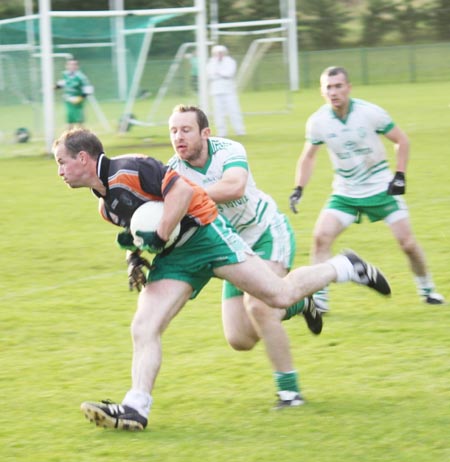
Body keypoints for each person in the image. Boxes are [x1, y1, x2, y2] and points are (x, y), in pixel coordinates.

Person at [53, 127, 391, 431]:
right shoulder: (105, 206)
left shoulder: (131, 168)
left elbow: (182, 194)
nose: (60, 171)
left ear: (83, 157)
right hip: (176, 259)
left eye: (62, 162)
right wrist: (135, 257)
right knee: (144, 326)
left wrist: (160, 232)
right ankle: (135, 408)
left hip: (206, 235)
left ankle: (346, 266)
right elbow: (137, 230)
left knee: (279, 296)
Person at [167, 104, 321, 409]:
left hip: (265, 233)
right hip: (230, 248)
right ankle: (299, 301)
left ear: (205, 133)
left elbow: (235, 187)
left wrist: (185, 196)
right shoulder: (172, 171)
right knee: (240, 339)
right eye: (173, 131)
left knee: (259, 307)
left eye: (186, 130)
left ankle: (289, 393)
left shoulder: (228, 150)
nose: (178, 137)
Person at [289, 66, 445, 313]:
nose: (334, 92)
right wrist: (299, 188)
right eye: (328, 87)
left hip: (381, 189)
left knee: (407, 243)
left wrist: (400, 175)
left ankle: (427, 289)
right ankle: (320, 300)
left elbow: (401, 140)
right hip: (345, 193)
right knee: (321, 238)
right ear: (322, 91)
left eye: (338, 86)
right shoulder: (318, 121)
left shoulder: (370, 113)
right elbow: (308, 157)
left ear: (349, 88)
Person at [207, 45, 245, 137]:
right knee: (218, 112)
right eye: (217, 53)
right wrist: (220, 73)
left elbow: (229, 73)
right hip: (216, 90)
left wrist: (219, 73)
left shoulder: (230, 61)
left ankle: (239, 130)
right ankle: (221, 131)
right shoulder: (211, 62)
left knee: (234, 110)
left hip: (229, 89)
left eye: (221, 53)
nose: (219, 55)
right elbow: (210, 74)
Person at [55, 59, 93, 129]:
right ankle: (69, 136)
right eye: (70, 64)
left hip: (77, 101)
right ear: (66, 66)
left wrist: (81, 98)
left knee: (79, 121)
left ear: (77, 66)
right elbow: (62, 83)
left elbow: (88, 89)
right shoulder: (65, 74)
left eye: (74, 64)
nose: (72, 66)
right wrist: (53, 87)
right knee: (69, 120)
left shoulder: (81, 77)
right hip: (68, 100)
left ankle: (84, 136)